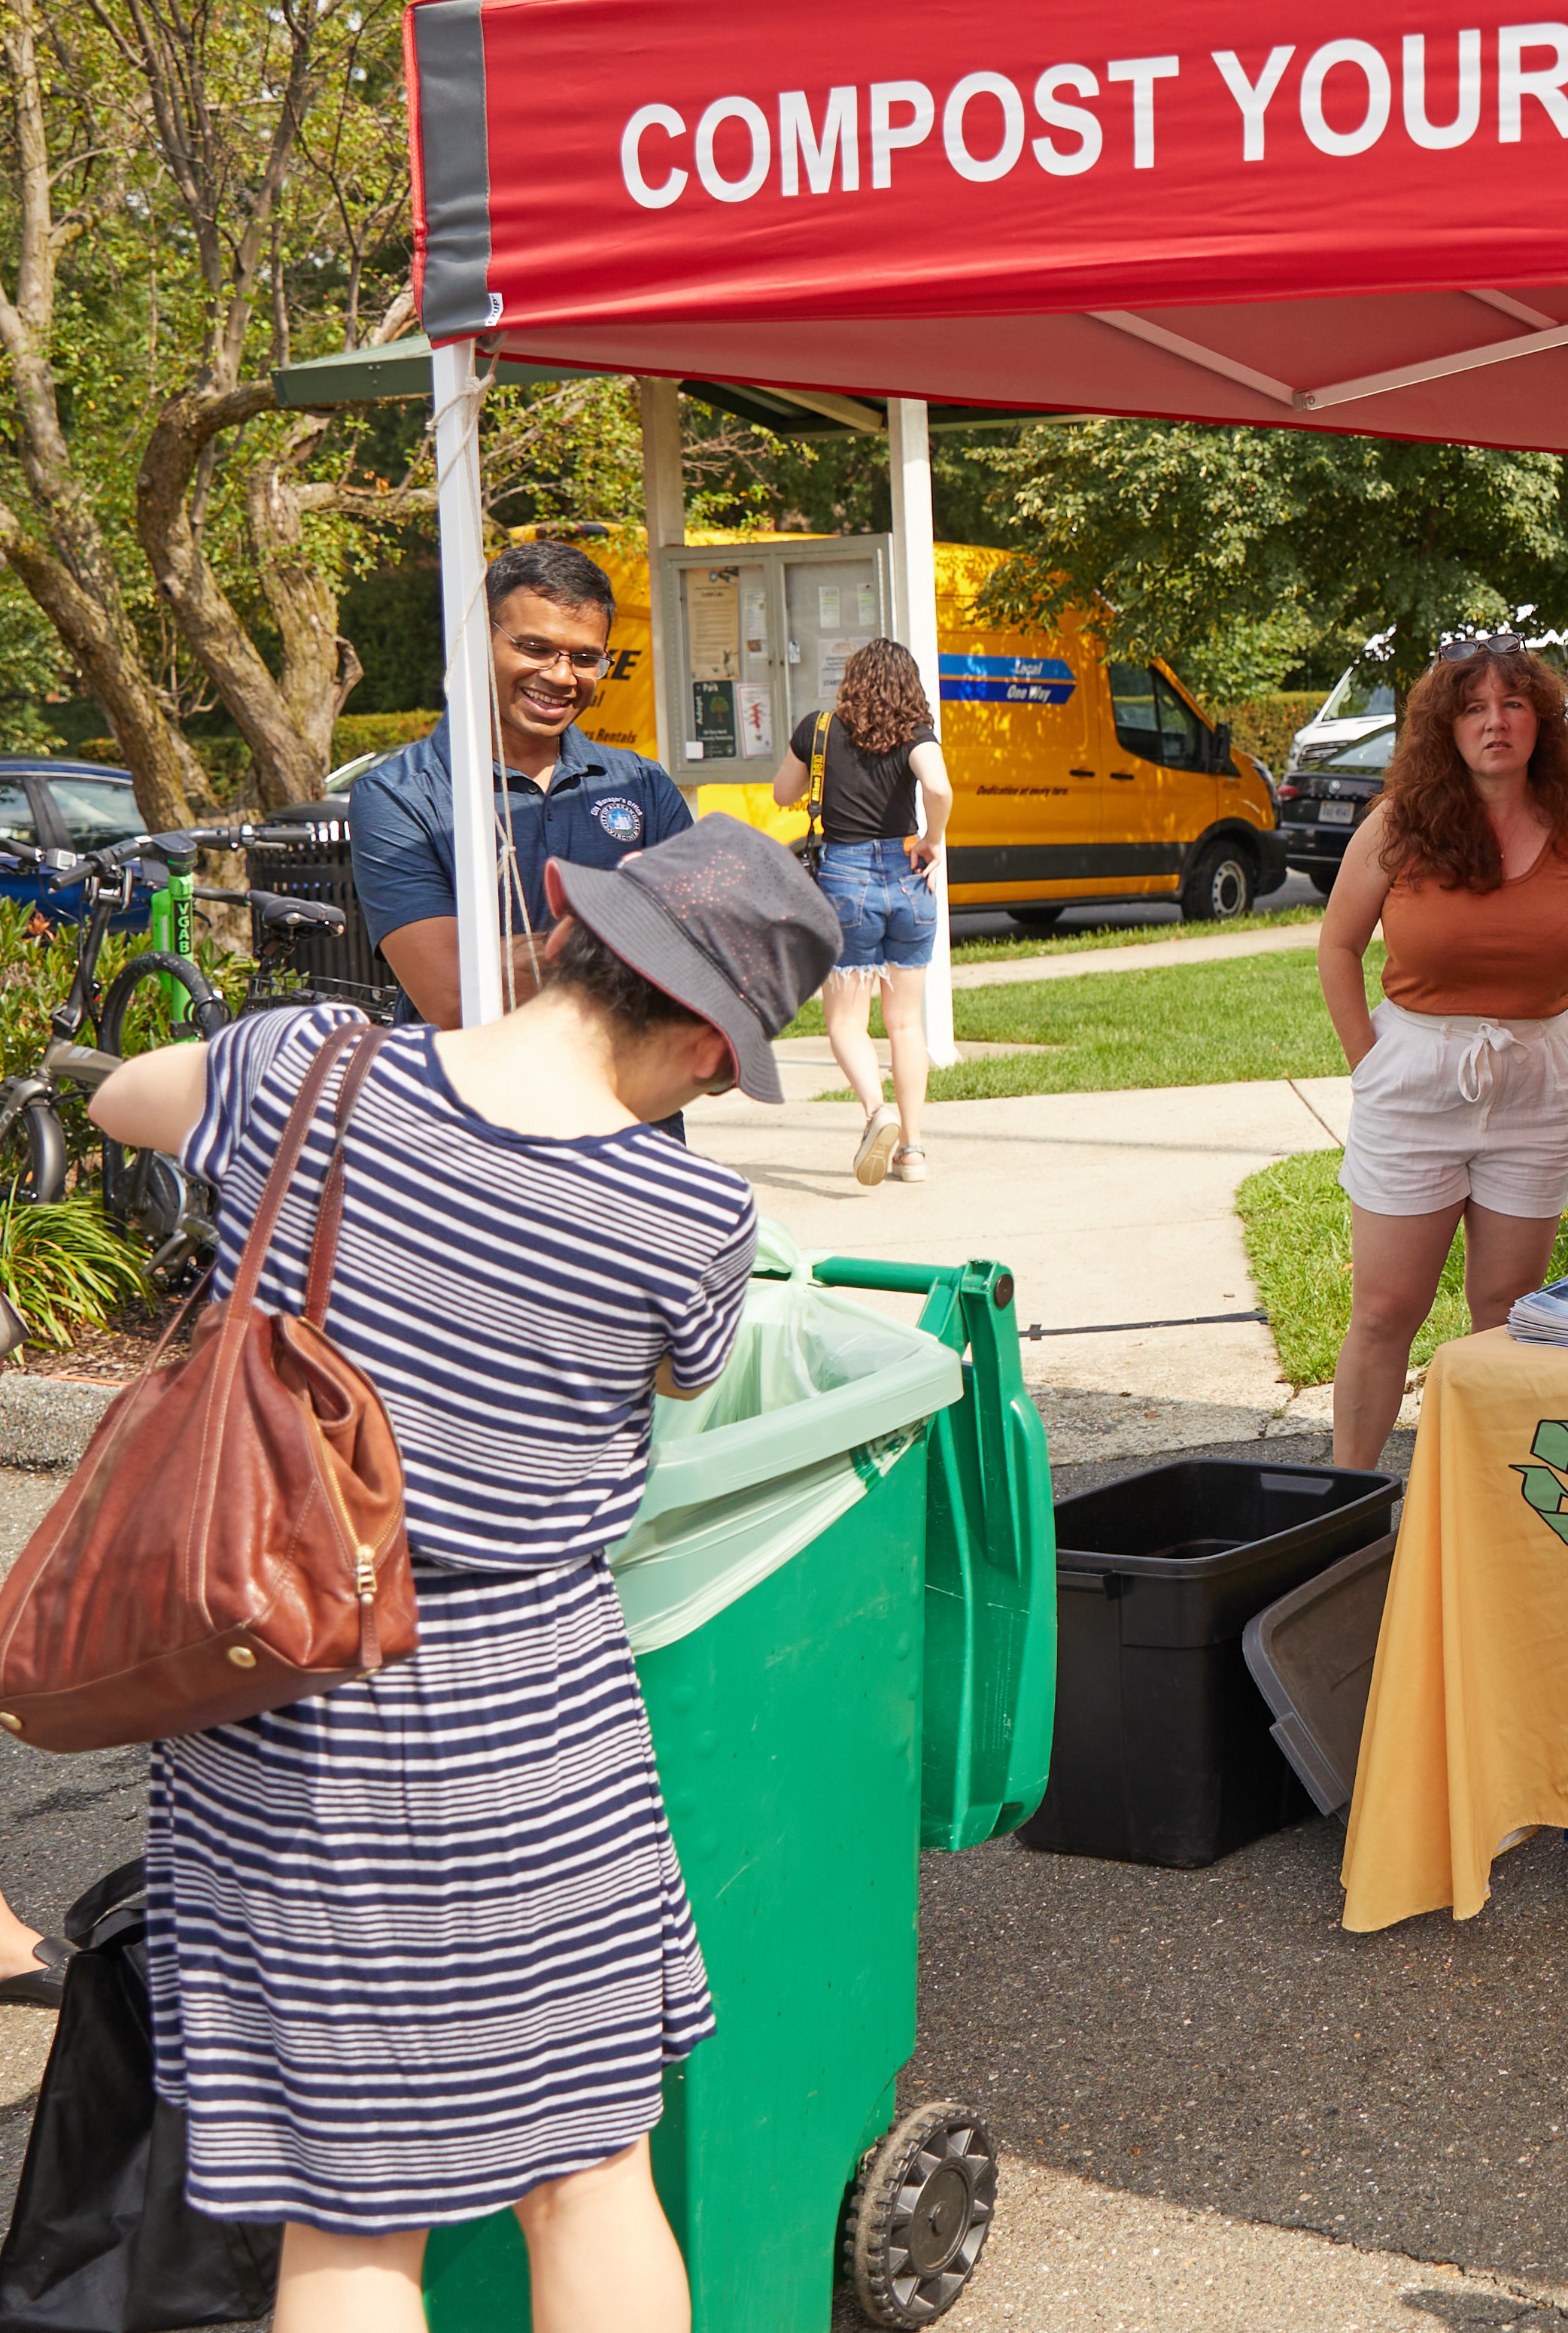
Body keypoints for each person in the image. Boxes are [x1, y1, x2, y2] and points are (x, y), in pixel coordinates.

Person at [88, 815, 837, 2333]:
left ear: (558, 920)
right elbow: (686, 1383)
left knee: (350, 2224)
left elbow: (118, 1098)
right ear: (701, 1036)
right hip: (534, 1732)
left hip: (287, 1725)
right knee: (593, 2171)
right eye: (726, 1056)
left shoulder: (303, 1064)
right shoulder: (689, 1216)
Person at [1317, 640, 1568, 1469]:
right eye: (1472, 707)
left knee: (1505, 1306)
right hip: (1416, 1078)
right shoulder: (1398, 823)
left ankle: (1486, 1496)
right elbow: (1337, 946)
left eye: (1513, 703)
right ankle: (1345, 1503)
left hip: (1539, 1085)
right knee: (1387, 1307)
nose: (1495, 722)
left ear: (1542, 720)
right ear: (1445, 727)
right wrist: (1370, 1061)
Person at [351, 539, 693, 1026]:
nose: (561, 676)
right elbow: (452, 998)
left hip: (628, 1100)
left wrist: (503, 956)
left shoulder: (643, 786)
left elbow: (700, 960)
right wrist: (629, 937)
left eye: (584, 658)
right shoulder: (400, 797)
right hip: (474, 1098)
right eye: (535, 648)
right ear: (475, 641)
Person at [770, 636, 956, 1187]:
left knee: (847, 1022)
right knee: (904, 1023)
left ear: (851, 679)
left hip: (845, 881)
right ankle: (913, 1151)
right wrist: (932, 838)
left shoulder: (819, 730)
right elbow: (939, 786)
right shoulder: (914, 735)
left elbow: (784, 795)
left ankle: (878, 1113)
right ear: (909, 685)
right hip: (909, 878)